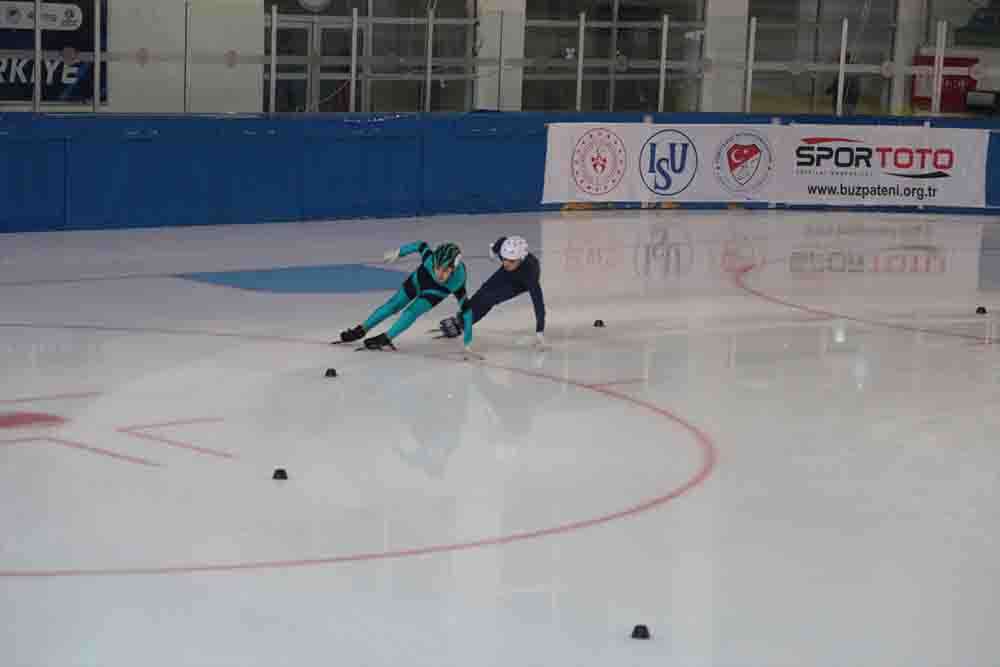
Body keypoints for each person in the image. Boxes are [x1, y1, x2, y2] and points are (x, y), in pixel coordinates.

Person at [338, 241, 475, 353]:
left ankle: (387, 337)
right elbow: (420, 245)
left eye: (445, 270)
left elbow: (467, 310)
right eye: (436, 267)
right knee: (393, 305)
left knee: (411, 311)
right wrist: (399, 252)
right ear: (433, 261)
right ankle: (362, 329)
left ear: (454, 268)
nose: (439, 274)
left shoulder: (458, 279)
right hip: (420, 280)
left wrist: (468, 341)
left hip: (436, 291)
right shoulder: (430, 258)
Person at [437, 236, 546, 348]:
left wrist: (539, 331)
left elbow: (538, 303)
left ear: (521, 258)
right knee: (483, 291)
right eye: (504, 258)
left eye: (511, 261)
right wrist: (493, 249)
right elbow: (502, 241)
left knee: (490, 299)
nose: (506, 263)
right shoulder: (506, 253)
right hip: (507, 273)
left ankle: (462, 325)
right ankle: (462, 317)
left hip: (520, 283)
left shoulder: (530, 275)